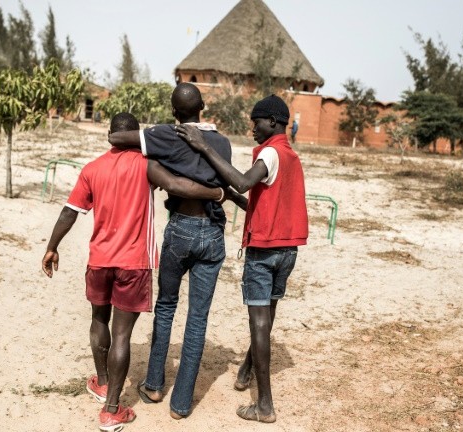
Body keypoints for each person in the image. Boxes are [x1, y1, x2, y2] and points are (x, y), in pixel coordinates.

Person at [42, 112, 227, 432]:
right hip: (133, 263)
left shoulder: (92, 168)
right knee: (123, 334)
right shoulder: (146, 165)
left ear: (111, 135)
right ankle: (112, 410)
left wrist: (52, 246)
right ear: (135, 136)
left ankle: (101, 384)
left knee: (99, 320)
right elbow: (176, 184)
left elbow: (69, 212)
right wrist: (215, 194)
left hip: (99, 260)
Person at [175, 94, 309, 424]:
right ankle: (248, 367)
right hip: (287, 250)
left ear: (274, 123)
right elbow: (259, 201)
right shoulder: (290, 155)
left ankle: (263, 405)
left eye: (257, 122)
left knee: (259, 321)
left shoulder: (271, 152)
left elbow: (244, 182)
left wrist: (203, 146)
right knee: (268, 315)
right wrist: (228, 196)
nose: (252, 128)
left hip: (264, 253)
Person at [108, 83, 237, 419]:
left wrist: (155, 138)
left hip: (181, 227)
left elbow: (118, 139)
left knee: (166, 306)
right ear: (203, 106)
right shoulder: (222, 142)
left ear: (174, 111)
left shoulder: (169, 134)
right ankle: (181, 405)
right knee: (198, 317)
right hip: (213, 231)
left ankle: (153, 385)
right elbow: (223, 183)